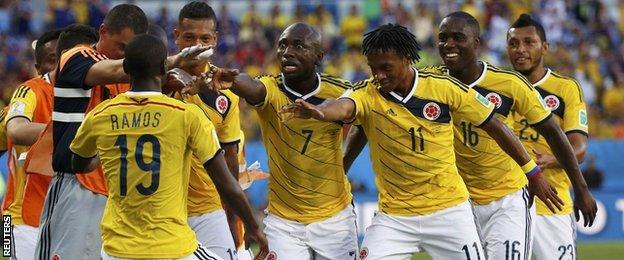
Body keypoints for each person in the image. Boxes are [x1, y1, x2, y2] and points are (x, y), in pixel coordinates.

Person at [276, 23, 560, 260]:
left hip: (449, 211)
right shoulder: (367, 93)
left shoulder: (443, 88)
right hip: (394, 217)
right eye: (373, 68)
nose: (379, 76)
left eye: (386, 68)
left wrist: (531, 172)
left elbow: (495, 126)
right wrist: (320, 112)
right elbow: (343, 106)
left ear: (406, 59)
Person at [68, 34, 268, 260]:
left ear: (126, 68)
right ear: (165, 67)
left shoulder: (101, 115)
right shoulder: (187, 116)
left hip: (117, 248)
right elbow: (227, 184)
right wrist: (254, 227)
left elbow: (78, 163)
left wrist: (109, 154)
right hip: (172, 247)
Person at [35, 4, 207, 259]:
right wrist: (171, 61)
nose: (127, 57)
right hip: (76, 184)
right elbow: (118, 69)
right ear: (103, 32)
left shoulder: (130, 82)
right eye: (122, 48)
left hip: (115, 192)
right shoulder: (77, 56)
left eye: (132, 51)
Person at [211, 23, 358, 259]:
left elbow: (361, 125)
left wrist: (345, 162)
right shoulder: (271, 87)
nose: (287, 52)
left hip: (335, 218)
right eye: (282, 45)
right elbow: (254, 88)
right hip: (284, 222)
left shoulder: (339, 91)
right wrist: (234, 81)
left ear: (319, 56)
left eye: (298, 46)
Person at [507, 13, 591, 260]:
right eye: (513, 44)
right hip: (506, 204)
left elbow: (580, 149)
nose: (520, 50)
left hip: (552, 203)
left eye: (528, 42)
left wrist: (548, 160)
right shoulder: (499, 87)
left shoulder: (565, 89)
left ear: (544, 47)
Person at [172, 3, 244, 259]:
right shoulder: (155, 80)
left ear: (214, 40)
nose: (197, 46)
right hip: (164, 209)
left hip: (207, 209)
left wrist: (233, 217)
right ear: (176, 36)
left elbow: (230, 158)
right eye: (189, 38)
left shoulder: (225, 93)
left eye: (204, 38)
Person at [1, 29, 60, 260]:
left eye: (63, 59)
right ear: (38, 68)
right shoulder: (19, 105)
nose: (58, 67)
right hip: (16, 219)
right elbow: (12, 130)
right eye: (51, 60)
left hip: (60, 218)